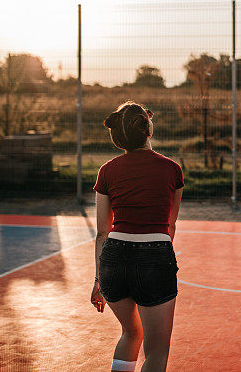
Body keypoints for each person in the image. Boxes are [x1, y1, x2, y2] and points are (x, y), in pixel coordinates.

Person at [90, 101, 184, 372]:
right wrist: (155, 260)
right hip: (154, 256)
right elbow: (170, 225)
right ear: (149, 129)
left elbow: (102, 232)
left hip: (112, 260)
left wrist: (98, 280)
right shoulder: (171, 170)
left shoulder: (107, 170)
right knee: (156, 354)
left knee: (131, 333)